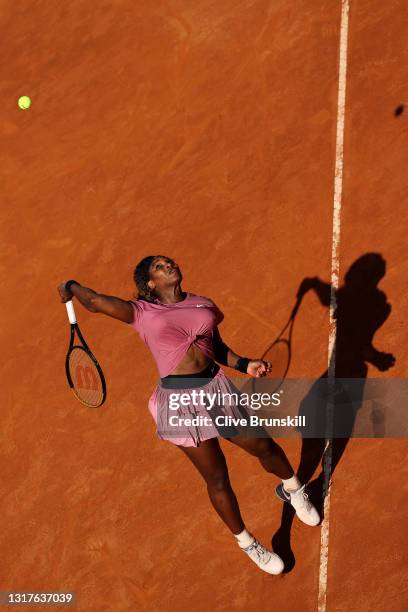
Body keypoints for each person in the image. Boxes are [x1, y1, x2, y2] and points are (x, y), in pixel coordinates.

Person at [58, 255, 319, 575]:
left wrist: (244, 363)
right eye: (158, 266)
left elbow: (216, 347)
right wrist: (71, 286)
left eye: (168, 261)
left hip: (216, 388)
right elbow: (96, 301)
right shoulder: (141, 312)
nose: (168, 264)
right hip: (179, 404)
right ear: (150, 284)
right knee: (217, 477)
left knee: (263, 446)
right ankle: (248, 544)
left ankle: (293, 490)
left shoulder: (202, 305)